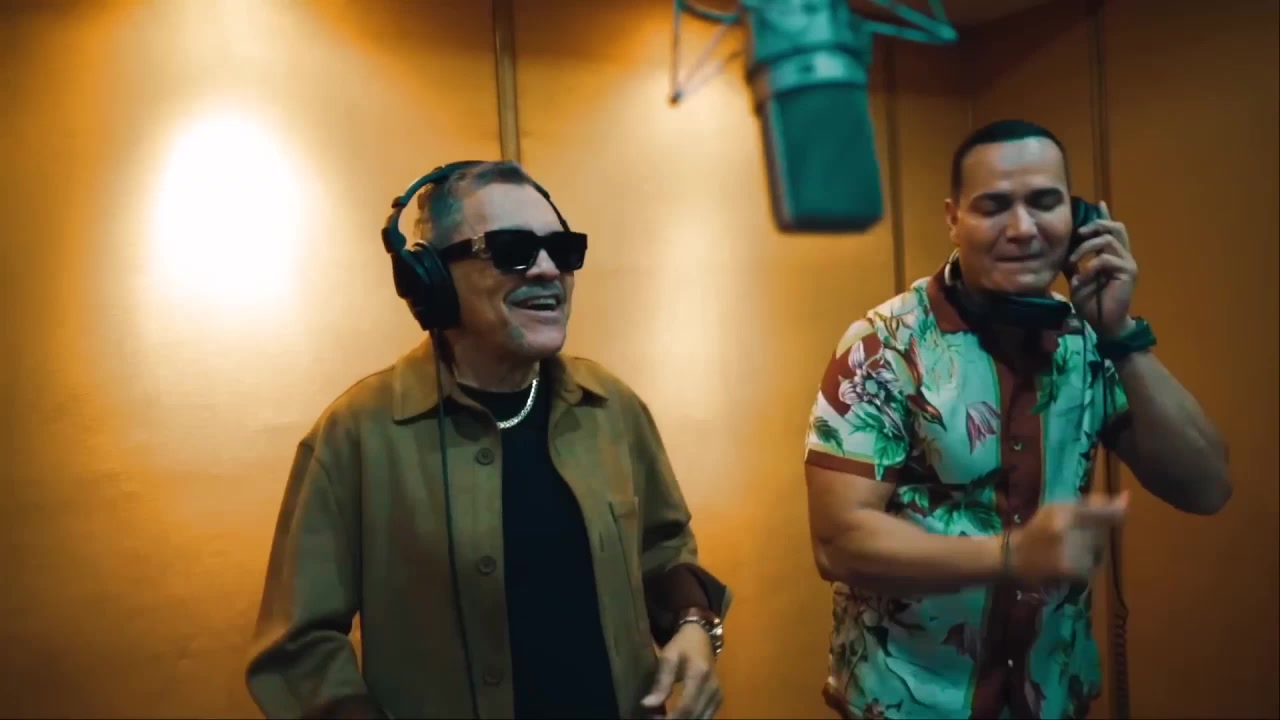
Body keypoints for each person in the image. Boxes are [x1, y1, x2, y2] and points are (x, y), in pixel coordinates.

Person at [246, 160, 730, 719]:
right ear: (430, 279)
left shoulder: (612, 408)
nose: (547, 269)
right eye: (511, 250)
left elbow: (665, 546)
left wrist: (693, 624)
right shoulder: (356, 435)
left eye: (562, 250)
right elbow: (300, 647)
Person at [803, 119, 1230, 719]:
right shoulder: (885, 346)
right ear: (953, 218)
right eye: (994, 206)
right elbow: (837, 541)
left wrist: (1120, 336)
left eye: (1045, 202)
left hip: (1051, 700)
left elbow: (1206, 486)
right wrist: (1011, 555)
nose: (1024, 228)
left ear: (1079, 218)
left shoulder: (1090, 340)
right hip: (907, 703)